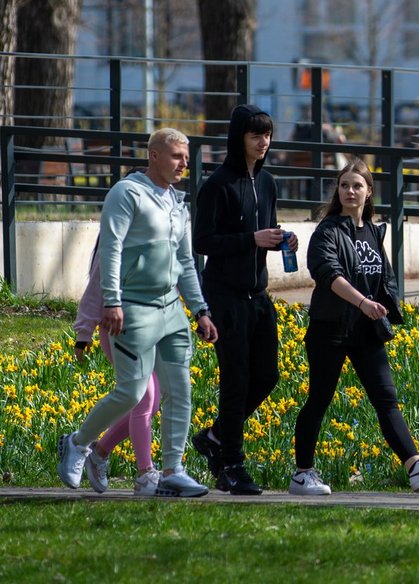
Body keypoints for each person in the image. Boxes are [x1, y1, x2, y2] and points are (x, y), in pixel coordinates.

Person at [57, 128, 218, 497]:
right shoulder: (127, 193)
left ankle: (172, 470)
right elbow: (110, 249)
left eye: (187, 157)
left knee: (179, 390)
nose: (184, 164)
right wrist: (111, 301)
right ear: (155, 155)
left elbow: (186, 262)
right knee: (131, 392)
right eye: (177, 156)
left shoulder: (178, 203)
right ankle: (79, 443)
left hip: (171, 309)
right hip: (133, 307)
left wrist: (200, 309)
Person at [290, 159, 419, 496]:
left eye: (357, 186)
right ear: (338, 191)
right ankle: (302, 474)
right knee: (319, 399)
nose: (350, 191)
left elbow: (381, 277)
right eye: (344, 185)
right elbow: (328, 274)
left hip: (366, 330)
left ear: (369, 192)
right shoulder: (328, 230)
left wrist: (385, 308)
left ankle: (416, 467)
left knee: (386, 399)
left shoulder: (372, 231)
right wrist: (362, 302)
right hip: (330, 328)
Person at [191, 104, 297, 495]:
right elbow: (202, 242)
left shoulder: (268, 182)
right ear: (239, 139)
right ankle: (231, 465)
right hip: (225, 294)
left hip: (258, 293)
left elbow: (264, 229)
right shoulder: (217, 184)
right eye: (256, 136)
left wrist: (281, 239)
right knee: (234, 381)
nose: (263, 142)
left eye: (267, 135)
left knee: (267, 375)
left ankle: (216, 436)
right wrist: (250, 240)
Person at [73, 227, 162, 496]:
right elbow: (95, 285)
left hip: (150, 325)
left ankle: (99, 452)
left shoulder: (155, 223)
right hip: (116, 328)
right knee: (144, 398)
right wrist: (83, 333)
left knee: (151, 401)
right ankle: (146, 473)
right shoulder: (117, 229)